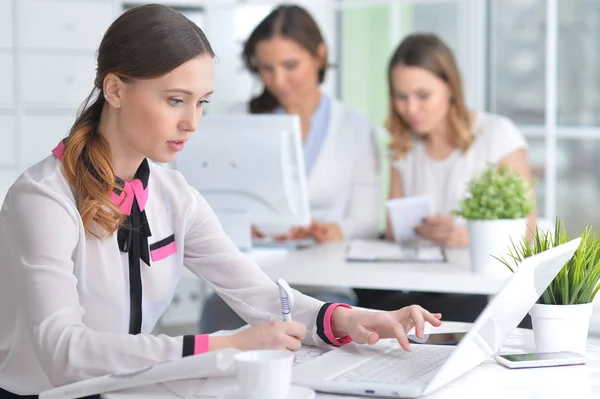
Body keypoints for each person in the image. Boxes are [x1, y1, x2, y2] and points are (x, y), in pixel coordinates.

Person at [0, 6, 441, 396]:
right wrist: (226, 346)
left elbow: (258, 294)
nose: (192, 122)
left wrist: (346, 319)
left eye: (201, 102)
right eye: (176, 100)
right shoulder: (42, 199)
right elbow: (64, 352)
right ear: (114, 90)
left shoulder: (174, 196)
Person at [199, 4, 382, 333]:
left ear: (320, 56)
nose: (278, 80)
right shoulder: (238, 120)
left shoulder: (353, 126)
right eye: (266, 68)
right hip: (250, 286)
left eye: (290, 65)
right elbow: (210, 207)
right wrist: (243, 226)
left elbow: (368, 221)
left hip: (324, 285)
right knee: (219, 333)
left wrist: (330, 229)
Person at [358, 33, 535, 322]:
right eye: (400, 97)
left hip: (482, 290)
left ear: (451, 87)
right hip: (426, 285)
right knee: (368, 309)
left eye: (423, 95)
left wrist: (464, 235)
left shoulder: (497, 135)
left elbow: (526, 233)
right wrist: (423, 229)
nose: (411, 109)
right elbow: (392, 232)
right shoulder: (403, 145)